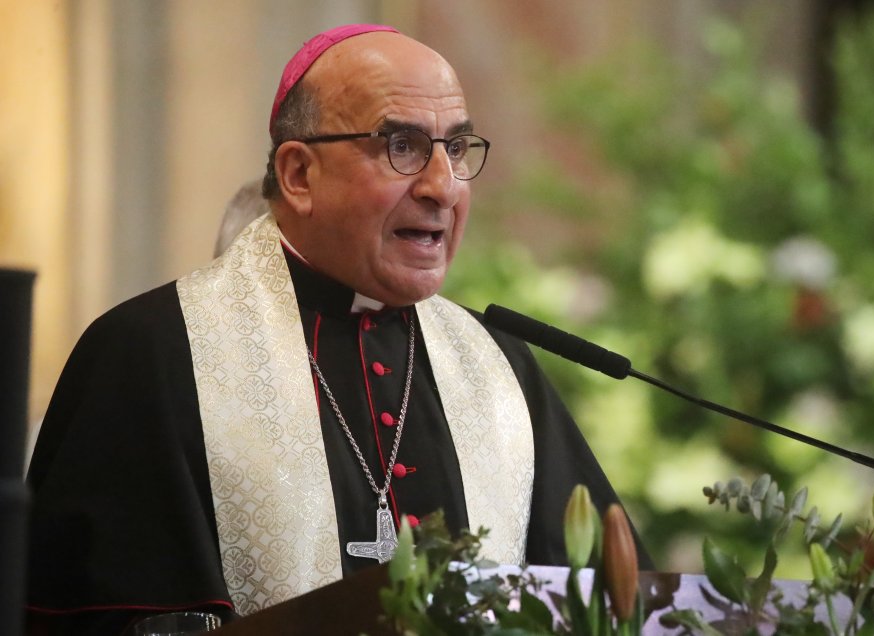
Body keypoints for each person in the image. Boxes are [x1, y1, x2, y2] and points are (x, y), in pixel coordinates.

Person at [25, 24, 648, 634]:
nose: (442, 187)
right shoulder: (151, 354)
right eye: (402, 146)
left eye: (456, 149)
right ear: (299, 175)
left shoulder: (498, 370)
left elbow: (617, 608)